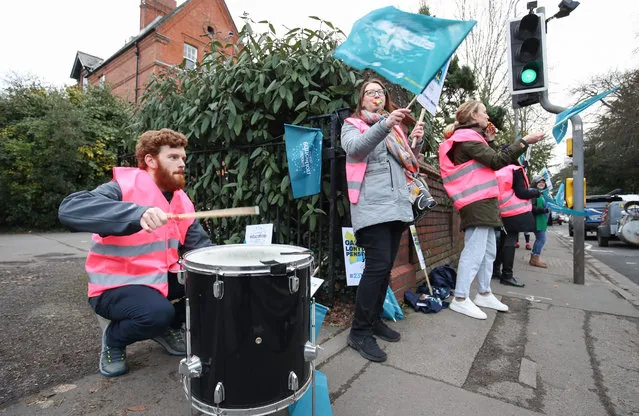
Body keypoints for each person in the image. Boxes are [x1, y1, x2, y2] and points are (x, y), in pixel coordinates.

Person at [58, 128, 212, 377]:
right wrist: (135, 214)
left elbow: (201, 249)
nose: (182, 163)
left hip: (155, 282)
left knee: (209, 284)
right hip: (114, 287)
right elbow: (70, 209)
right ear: (151, 160)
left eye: (183, 158)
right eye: (173, 157)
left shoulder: (181, 199)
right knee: (156, 313)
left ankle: (163, 327)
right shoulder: (122, 187)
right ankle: (114, 340)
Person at [341, 78, 425, 362]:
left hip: (397, 206)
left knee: (385, 268)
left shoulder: (394, 128)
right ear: (361, 99)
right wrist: (386, 124)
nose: (376, 95)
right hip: (372, 208)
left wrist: (415, 140)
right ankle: (359, 332)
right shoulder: (352, 125)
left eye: (380, 92)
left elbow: (408, 163)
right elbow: (356, 149)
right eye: (370, 92)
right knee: (376, 268)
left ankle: (374, 320)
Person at [438, 100, 544, 320]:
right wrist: (523, 142)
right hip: (476, 204)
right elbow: (496, 162)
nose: (487, 117)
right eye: (484, 113)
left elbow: (488, 163)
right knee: (474, 251)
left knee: (488, 252)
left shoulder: (472, 139)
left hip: (483, 203)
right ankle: (460, 298)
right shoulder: (466, 140)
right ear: (473, 116)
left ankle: (484, 293)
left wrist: (490, 140)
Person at [492, 161, 541, 287]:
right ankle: (507, 275)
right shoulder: (516, 170)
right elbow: (521, 192)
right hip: (515, 211)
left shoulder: (499, 170)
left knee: (502, 241)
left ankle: (495, 270)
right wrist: (536, 192)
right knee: (510, 241)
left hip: (502, 210)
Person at [529, 175, 550, 268]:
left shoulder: (542, 194)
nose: (542, 183)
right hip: (536, 220)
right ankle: (535, 259)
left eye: (543, 182)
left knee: (540, 239)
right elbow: (531, 207)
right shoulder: (533, 193)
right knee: (541, 239)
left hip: (541, 220)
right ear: (535, 183)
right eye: (539, 182)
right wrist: (544, 210)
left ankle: (534, 258)